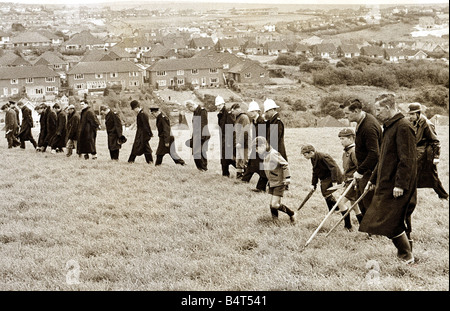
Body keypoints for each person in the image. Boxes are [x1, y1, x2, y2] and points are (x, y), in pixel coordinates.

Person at [359, 94, 417, 265]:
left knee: (389, 219)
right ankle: (406, 254)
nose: (376, 114)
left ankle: (406, 255)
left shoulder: (403, 127)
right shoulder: (389, 126)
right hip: (386, 182)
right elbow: (383, 158)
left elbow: (407, 160)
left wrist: (400, 184)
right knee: (390, 218)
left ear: (388, 108)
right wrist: (373, 179)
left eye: (378, 110)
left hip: (397, 183)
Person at [343, 98, 382, 218]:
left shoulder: (369, 127)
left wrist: (359, 171)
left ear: (356, 111)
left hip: (370, 171)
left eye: (347, 114)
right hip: (365, 170)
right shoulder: (362, 121)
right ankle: (369, 231)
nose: (345, 116)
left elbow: (374, 153)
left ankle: (374, 232)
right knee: (361, 201)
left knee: (368, 202)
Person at [301, 144, 352, 231]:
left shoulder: (323, 156)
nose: (304, 156)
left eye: (305, 154)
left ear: (311, 152)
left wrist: (334, 181)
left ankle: (347, 224)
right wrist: (313, 184)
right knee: (325, 193)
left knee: (334, 198)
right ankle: (334, 210)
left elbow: (334, 167)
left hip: (332, 177)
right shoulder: (313, 158)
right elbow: (315, 171)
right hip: (325, 178)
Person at [407, 103, 448, 200]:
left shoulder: (427, 124)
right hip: (417, 153)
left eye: (412, 114)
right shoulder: (414, 122)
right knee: (420, 176)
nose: (410, 116)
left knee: (432, 177)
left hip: (426, 155)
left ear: (418, 113)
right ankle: (443, 196)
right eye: (409, 114)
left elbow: (435, 141)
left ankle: (444, 196)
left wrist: (436, 157)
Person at [253, 136, 295, 223]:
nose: (256, 151)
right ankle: (275, 221)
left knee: (275, 204)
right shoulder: (266, 154)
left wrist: (287, 178)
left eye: (257, 149)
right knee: (273, 204)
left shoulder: (273, 154)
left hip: (279, 183)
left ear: (263, 146)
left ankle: (292, 214)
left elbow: (285, 164)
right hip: (272, 182)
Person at [241, 100, 268, 193]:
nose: (251, 113)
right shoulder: (254, 121)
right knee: (251, 164)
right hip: (255, 146)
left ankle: (262, 187)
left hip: (260, 148)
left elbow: (262, 137)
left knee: (262, 167)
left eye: (253, 111)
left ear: (257, 111)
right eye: (250, 111)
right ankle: (244, 180)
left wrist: (259, 148)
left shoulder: (261, 122)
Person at [338, 128, 363, 225]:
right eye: (340, 139)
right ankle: (362, 225)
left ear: (351, 139)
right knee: (355, 205)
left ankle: (348, 226)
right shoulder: (346, 152)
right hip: (348, 182)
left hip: (354, 182)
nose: (341, 141)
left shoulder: (354, 151)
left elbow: (360, 168)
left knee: (340, 202)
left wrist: (355, 180)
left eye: (343, 139)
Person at [185, 100, 210, 171]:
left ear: (191, 106)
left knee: (201, 152)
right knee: (196, 153)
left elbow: (203, 124)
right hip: (196, 135)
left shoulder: (202, 111)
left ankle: (204, 168)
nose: (190, 110)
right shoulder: (195, 112)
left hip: (202, 135)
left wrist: (201, 137)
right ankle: (200, 168)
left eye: (189, 109)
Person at [216, 95, 236, 177]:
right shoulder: (220, 114)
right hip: (223, 138)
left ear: (223, 104)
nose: (218, 107)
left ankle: (243, 172)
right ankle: (225, 174)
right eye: (217, 105)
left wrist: (229, 140)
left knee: (231, 157)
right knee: (224, 158)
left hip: (228, 138)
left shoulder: (228, 113)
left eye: (219, 105)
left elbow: (231, 127)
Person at [128, 100, 153, 164]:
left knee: (139, 147)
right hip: (141, 133)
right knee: (143, 147)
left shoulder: (142, 114)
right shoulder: (141, 114)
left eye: (133, 109)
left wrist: (149, 133)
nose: (133, 111)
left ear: (136, 107)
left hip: (143, 134)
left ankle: (131, 160)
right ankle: (150, 161)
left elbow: (146, 125)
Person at [230, 103, 250, 179]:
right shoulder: (238, 117)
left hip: (244, 144)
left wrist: (240, 142)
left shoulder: (244, 117)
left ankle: (245, 177)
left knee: (244, 160)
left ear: (237, 109)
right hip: (239, 143)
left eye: (233, 111)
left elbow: (245, 131)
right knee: (238, 161)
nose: (232, 113)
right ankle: (239, 176)